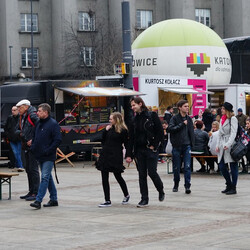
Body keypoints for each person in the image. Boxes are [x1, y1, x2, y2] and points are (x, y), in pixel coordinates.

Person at [126, 97, 165, 208]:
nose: (132, 108)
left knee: (152, 172)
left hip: (150, 149)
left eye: (134, 105)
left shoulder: (152, 116)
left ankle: (160, 189)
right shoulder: (134, 120)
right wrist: (129, 154)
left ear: (140, 104)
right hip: (139, 150)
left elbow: (160, 132)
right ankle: (144, 199)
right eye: (132, 106)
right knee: (141, 175)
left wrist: (155, 144)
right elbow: (131, 138)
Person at [30, 103, 62, 209]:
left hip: (48, 156)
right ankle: (54, 199)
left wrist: (49, 150)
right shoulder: (39, 123)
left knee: (44, 177)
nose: (37, 113)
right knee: (48, 178)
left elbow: (57, 140)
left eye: (39, 111)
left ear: (45, 112)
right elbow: (35, 136)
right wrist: (33, 147)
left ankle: (38, 200)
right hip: (39, 155)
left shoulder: (53, 124)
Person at [96, 112, 130, 207]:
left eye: (111, 119)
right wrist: (105, 131)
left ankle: (126, 194)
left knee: (118, 176)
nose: (109, 121)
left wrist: (128, 155)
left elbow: (127, 144)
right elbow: (103, 140)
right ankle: (107, 200)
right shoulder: (109, 129)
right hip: (105, 154)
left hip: (115, 155)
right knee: (104, 177)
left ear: (117, 120)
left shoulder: (123, 130)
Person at [16, 99, 40, 201]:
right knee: (28, 169)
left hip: (32, 146)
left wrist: (33, 139)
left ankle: (36, 192)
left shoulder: (32, 115)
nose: (18, 109)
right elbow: (19, 128)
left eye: (20, 107)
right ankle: (31, 191)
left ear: (26, 106)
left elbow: (40, 126)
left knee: (33, 169)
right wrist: (20, 133)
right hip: (25, 145)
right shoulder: (23, 116)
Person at [168, 100, 195, 194]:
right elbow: (170, 129)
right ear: (179, 108)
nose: (187, 108)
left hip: (187, 145)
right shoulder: (174, 118)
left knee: (187, 167)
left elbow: (191, 131)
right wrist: (182, 124)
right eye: (185, 106)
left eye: (188, 106)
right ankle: (176, 184)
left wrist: (192, 144)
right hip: (177, 146)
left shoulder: (189, 119)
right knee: (176, 167)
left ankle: (187, 186)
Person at [216, 102, 238, 195]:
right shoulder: (222, 119)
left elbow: (233, 133)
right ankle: (228, 184)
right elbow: (219, 133)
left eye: (223, 108)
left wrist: (228, 144)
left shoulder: (233, 119)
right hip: (222, 144)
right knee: (221, 165)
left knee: (233, 166)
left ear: (228, 110)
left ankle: (233, 187)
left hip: (231, 144)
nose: (222, 110)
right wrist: (217, 145)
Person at [4, 106, 24, 172]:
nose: (13, 111)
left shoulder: (21, 118)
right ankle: (18, 165)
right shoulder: (10, 118)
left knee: (18, 152)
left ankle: (19, 166)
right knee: (15, 152)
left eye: (14, 110)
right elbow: (6, 127)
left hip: (18, 138)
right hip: (12, 138)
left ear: (17, 110)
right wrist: (8, 135)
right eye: (12, 110)